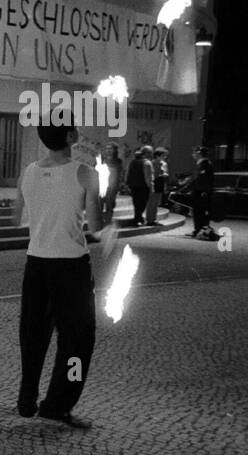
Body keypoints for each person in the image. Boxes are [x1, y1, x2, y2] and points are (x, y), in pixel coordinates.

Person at [10, 116, 106, 429]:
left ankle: (26, 399)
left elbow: (16, 219)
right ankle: (57, 405)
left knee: (33, 333)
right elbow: (95, 225)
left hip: (36, 261)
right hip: (70, 265)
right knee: (77, 339)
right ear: (70, 136)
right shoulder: (86, 173)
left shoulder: (29, 171)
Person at [188, 145, 215, 238]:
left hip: (201, 192)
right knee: (198, 211)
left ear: (199, 153)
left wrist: (203, 190)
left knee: (200, 212)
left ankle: (201, 231)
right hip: (200, 191)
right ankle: (200, 230)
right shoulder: (201, 163)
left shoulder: (205, 164)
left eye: (194, 152)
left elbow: (201, 179)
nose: (193, 154)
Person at [127, 145, 154, 226]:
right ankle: (138, 219)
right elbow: (148, 176)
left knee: (136, 203)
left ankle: (138, 218)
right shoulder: (147, 162)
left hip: (133, 185)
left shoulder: (132, 161)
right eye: (151, 153)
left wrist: (127, 183)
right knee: (142, 203)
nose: (152, 154)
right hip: (143, 186)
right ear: (147, 153)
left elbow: (128, 173)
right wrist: (150, 187)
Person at [101, 143, 123, 227]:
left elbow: (119, 173)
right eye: (107, 148)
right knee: (100, 205)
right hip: (101, 186)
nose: (108, 150)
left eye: (110, 148)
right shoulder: (101, 159)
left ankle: (108, 221)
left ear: (114, 150)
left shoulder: (118, 161)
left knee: (110, 205)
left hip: (112, 186)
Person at [147, 147, 170, 225]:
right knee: (151, 203)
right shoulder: (151, 163)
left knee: (156, 203)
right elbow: (151, 175)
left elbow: (166, 174)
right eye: (163, 155)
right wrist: (160, 174)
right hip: (153, 184)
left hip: (160, 183)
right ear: (157, 155)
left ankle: (153, 219)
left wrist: (165, 175)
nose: (165, 157)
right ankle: (149, 220)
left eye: (165, 156)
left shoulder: (164, 164)